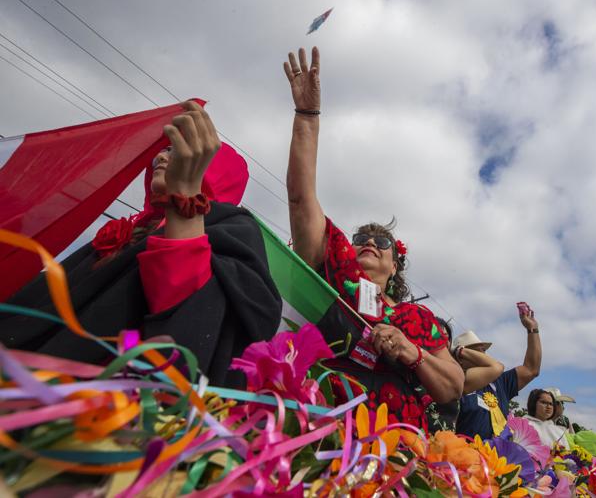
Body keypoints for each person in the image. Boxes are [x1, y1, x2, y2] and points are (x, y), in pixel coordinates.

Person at [0, 101, 282, 388]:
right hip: (23, 372)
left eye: (175, 150)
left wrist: (185, 198)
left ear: (213, 167)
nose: (161, 156)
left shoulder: (233, 228)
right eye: (164, 148)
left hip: (102, 400)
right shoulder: (133, 228)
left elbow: (189, 318)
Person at [282, 47, 464, 432]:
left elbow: (452, 387)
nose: (368, 241)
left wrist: (410, 352)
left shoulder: (420, 319)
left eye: (381, 241)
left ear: (395, 263)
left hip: (393, 444)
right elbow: (301, 200)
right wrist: (307, 117)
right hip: (315, 420)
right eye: (361, 236)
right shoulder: (332, 273)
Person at [455, 303, 542, 439]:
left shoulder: (500, 381)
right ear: (461, 355)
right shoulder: (456, 380)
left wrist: (533, 329)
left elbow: (532, 369)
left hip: (498, 456)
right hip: (465, 455)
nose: (483, 353)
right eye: (475, 350)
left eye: (484, 349)